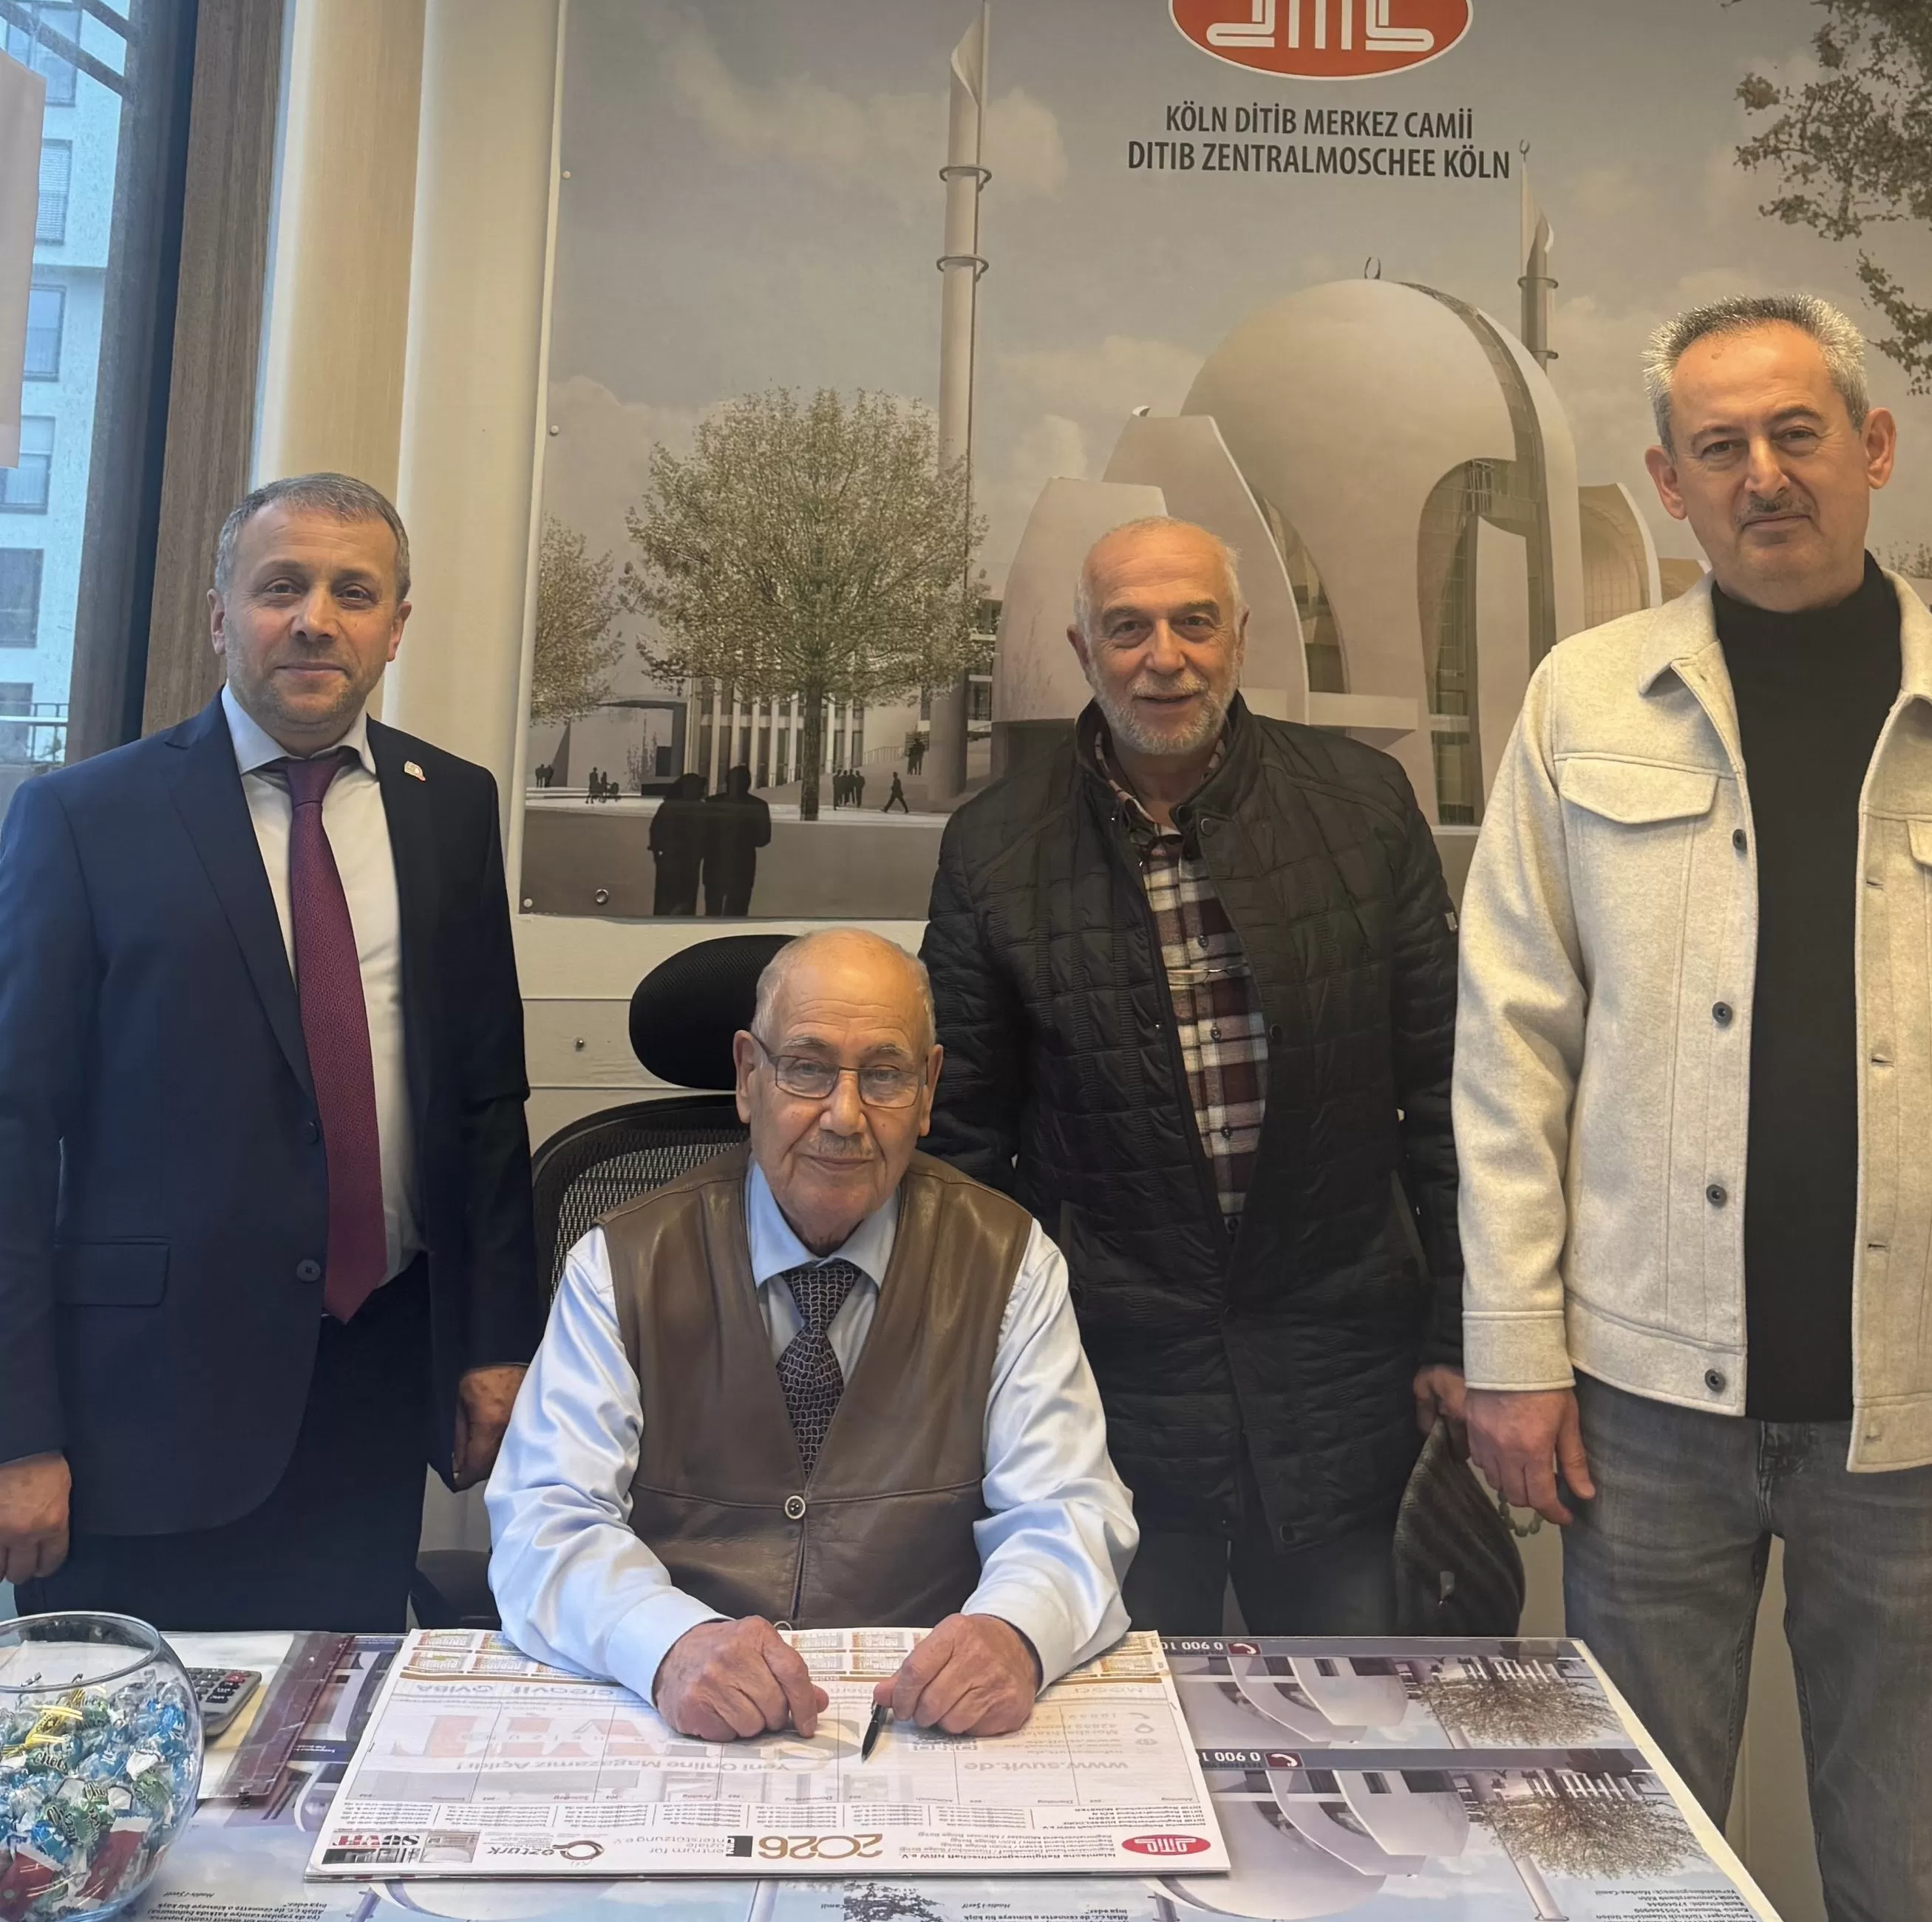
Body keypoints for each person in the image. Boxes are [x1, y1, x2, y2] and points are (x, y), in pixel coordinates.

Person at [1454, 294, 1932, 1922]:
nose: (1761, 474)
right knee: (1629, 1879)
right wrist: (1513, 1352)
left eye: (1794, 432)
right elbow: (1509, 1048)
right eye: (1717, 447)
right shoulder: (1580, 706)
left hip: (1926, 1432)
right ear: (1666, 484)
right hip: (1638, 1418)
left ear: (1871, 447)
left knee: (1915, 1881)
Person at [0, 472, 540, 1628]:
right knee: (134, 1734)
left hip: (370, 1386)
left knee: (332, 1723)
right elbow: (12, 1134)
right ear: (220, 616)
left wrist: (497, 1343)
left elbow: (487, 1103)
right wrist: (16, 1430)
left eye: (355, 593)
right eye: (280, 587)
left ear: (396, 627)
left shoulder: (451, 806)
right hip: (142, 1419)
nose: (315, 620)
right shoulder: (83, 819)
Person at [919, 517, 1464, 1636]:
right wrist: (981, 1383)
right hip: (1107, 1399)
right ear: (1082, 650)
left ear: (1240, 637)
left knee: (1353, 1726)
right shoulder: (993, 850)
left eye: (1193, 623)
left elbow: (1450, 1098)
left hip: (1342, 1388)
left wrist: (1465, 1335)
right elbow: (961, 1145)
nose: (1162, 658)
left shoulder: (1363, 809)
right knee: (1112, 1730)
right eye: (1128, 629)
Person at [487, 927, 1136, 1742]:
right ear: (747, 1076)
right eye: (807, 1067)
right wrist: (668, 1644)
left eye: (885, 1075)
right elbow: (546, 1519)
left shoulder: (1009, 1262)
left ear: (928, 1090)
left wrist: (1014, 1633)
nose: (845, 1116)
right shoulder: (620, 1263)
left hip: (917, 1725)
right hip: (680, 1721)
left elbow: (1067, 1507)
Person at [702, 763, 773, 916]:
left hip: (717, 862)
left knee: (714, 910)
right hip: (741, 863)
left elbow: (702, 833)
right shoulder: (758, 806)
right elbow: (763, 838)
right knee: (736, 910)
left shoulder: (713, 803)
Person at [647, 771, 710, 916]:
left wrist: (657, 854)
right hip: (682, 861)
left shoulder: (669, 807)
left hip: (676, 861)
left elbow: (655, 831)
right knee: (683, 901)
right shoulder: (698, 809)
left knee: (670, 901)